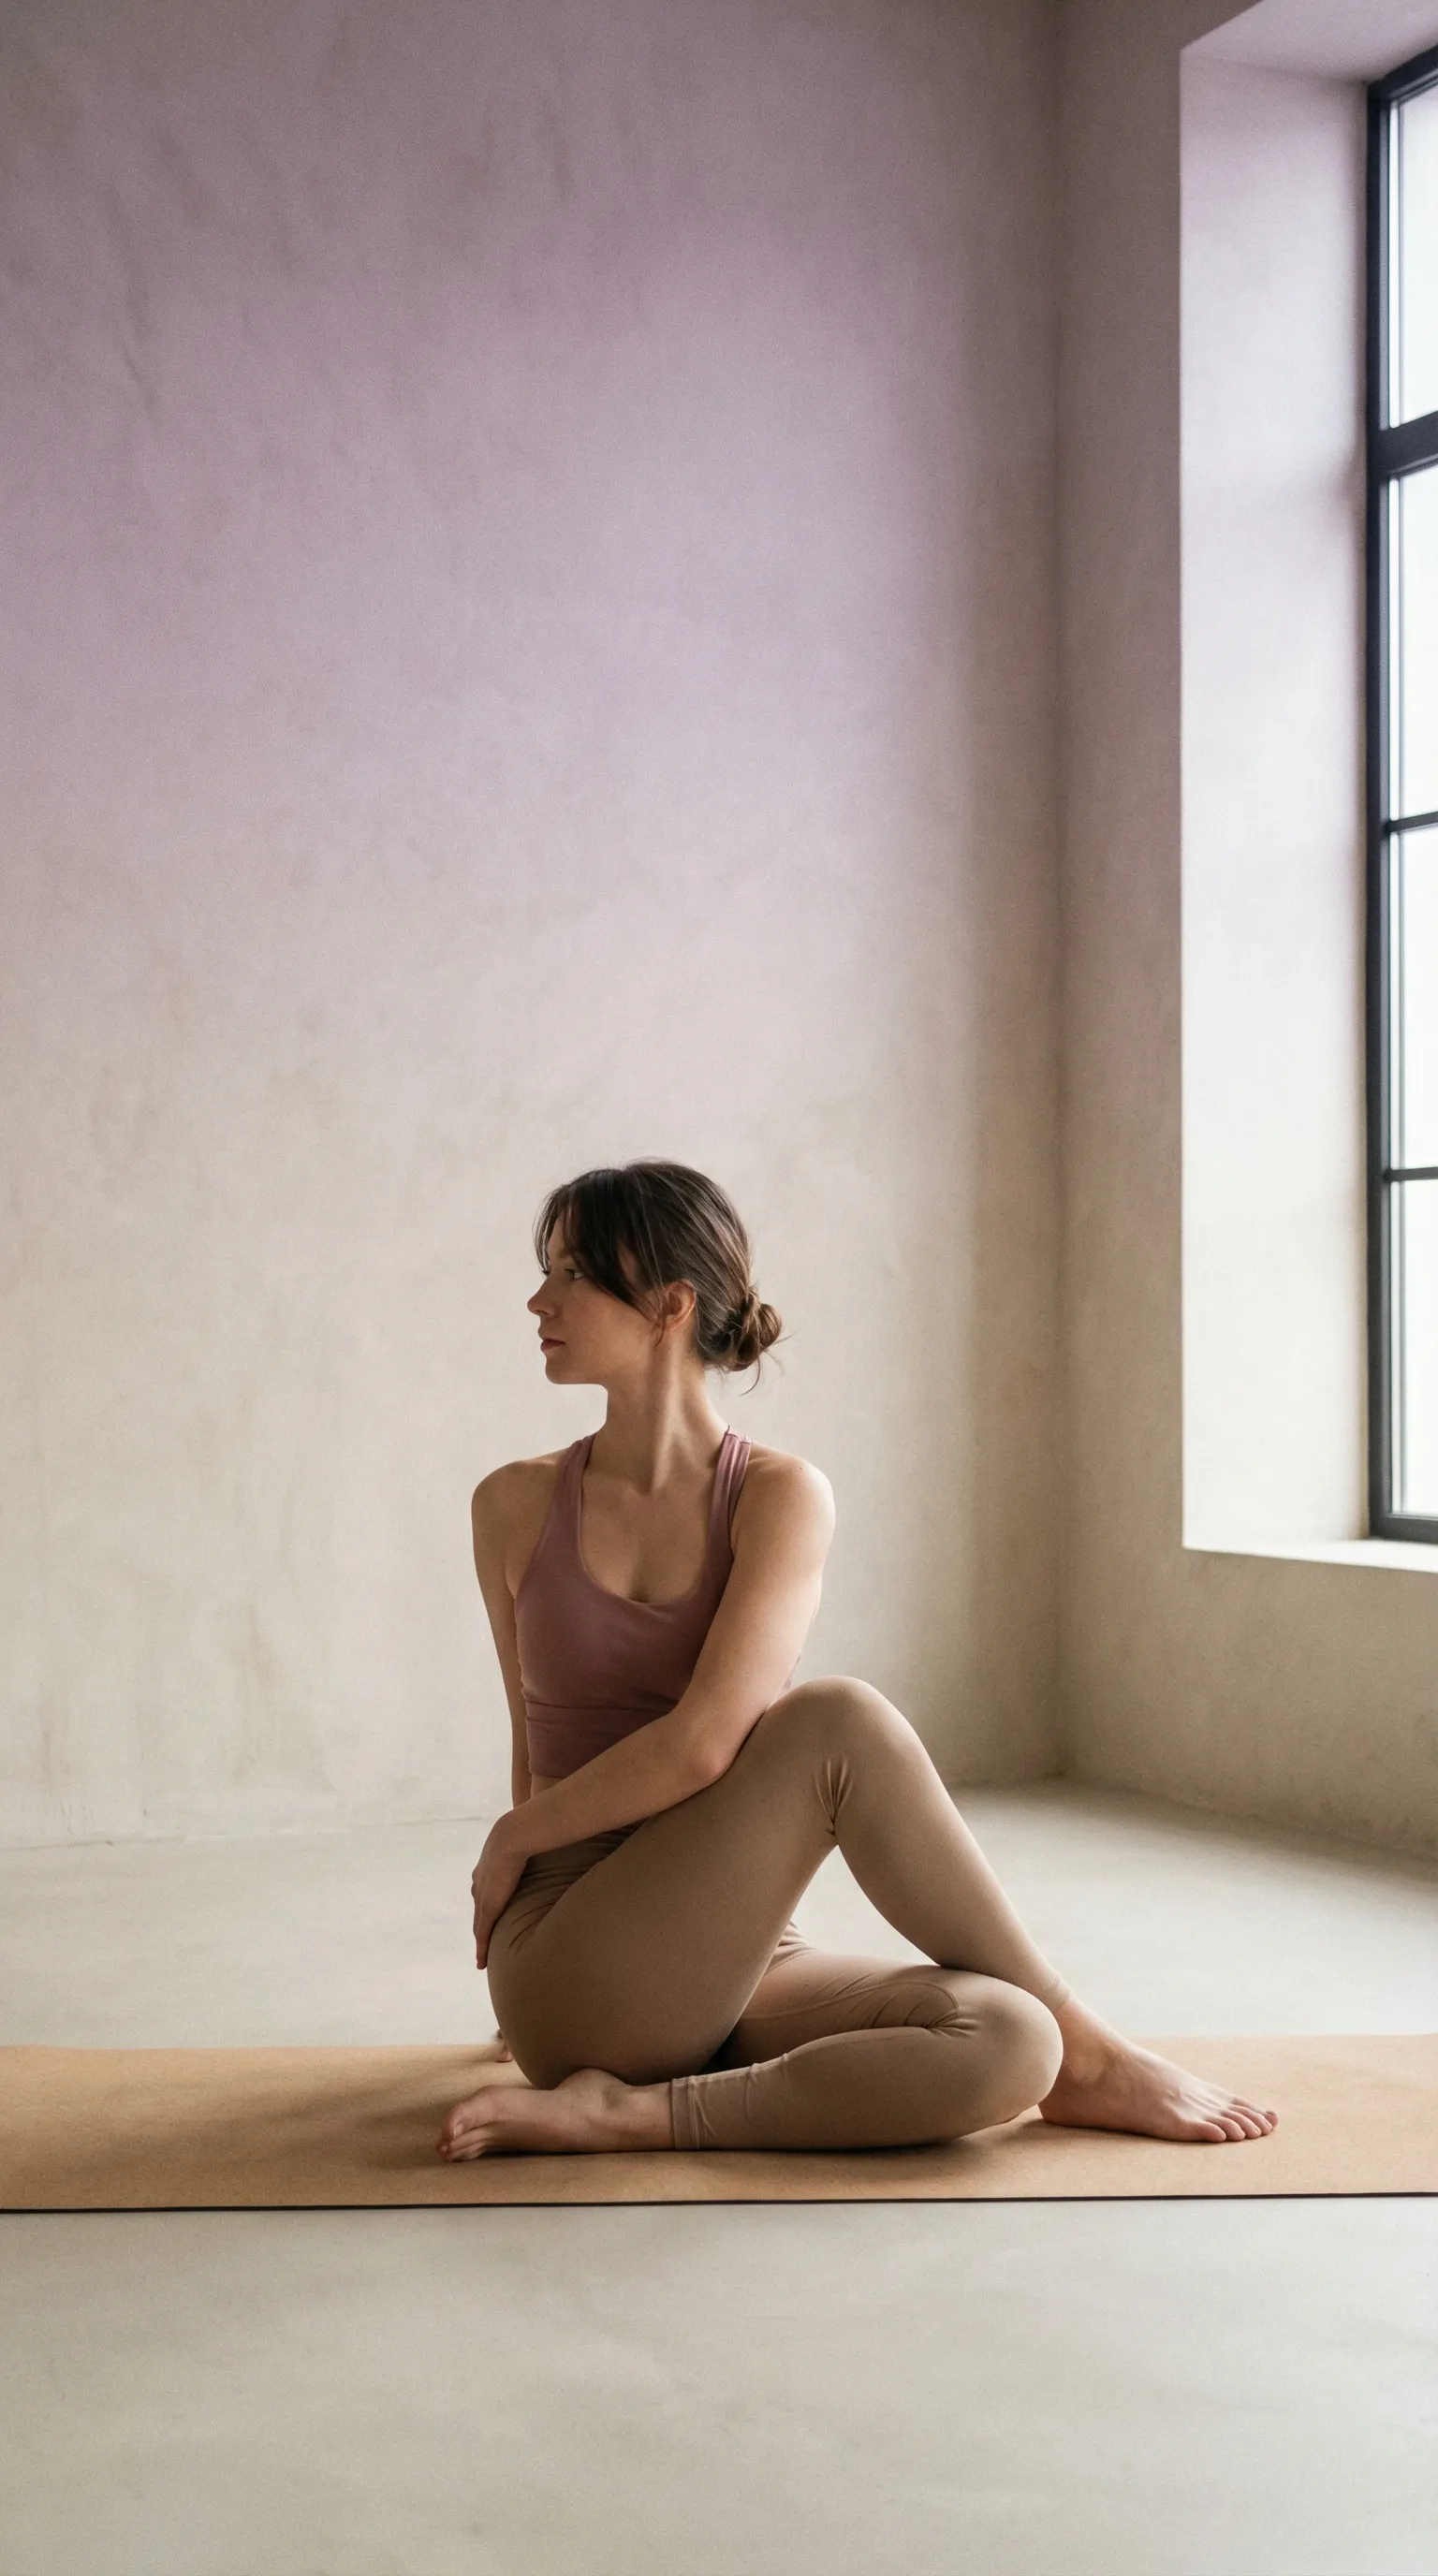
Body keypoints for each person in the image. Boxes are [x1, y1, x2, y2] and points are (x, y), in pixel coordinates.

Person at [438, 1161, 1276, 2162]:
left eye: (572, 1273)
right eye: (547, 1272)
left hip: (726, 1960)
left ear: (669, 1304)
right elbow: (534, 1742)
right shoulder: (513, 1503)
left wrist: (511, 1835)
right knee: (838, 1722)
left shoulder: (778, 1497)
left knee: (1013, 2039)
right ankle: (1100, 2056)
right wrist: (522, 1880)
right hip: (572, 1960)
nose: (540, 1299)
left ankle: (637, 2114)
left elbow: (705, 1741)